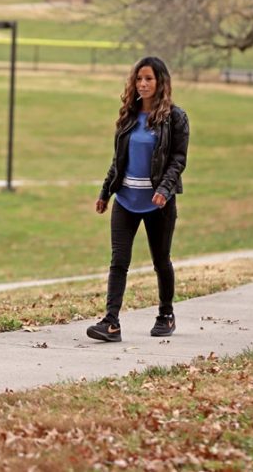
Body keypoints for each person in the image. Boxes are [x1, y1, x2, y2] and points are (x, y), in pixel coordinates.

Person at [86, 56, 190, 343]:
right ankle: (111, 322)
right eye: (138, 79)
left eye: (149, 79)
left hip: (158, 203)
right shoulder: (129, 116)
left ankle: (166, 314)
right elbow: (118, 161)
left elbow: (178, 160)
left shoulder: (175, 118)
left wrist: (165, 190)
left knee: (161, 260)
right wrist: (106, 192)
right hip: (126, 200)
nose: (142, 84)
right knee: (119, 261)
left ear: (160, 83)